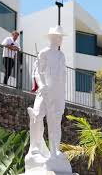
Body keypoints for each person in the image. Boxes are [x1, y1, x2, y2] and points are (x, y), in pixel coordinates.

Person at [25, 26, 72, 173]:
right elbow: (37, 72)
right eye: (59, 36)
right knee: (37, 116)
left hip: (57, 93)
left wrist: (62, 96)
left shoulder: (61, 55)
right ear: (52, 37)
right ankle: (35, 149)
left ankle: (54, 151)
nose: (61, 39)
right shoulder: (43, 53)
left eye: (61, 37)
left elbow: (63, 76)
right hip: (44, 91)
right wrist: (42, 85)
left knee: (56, 122)